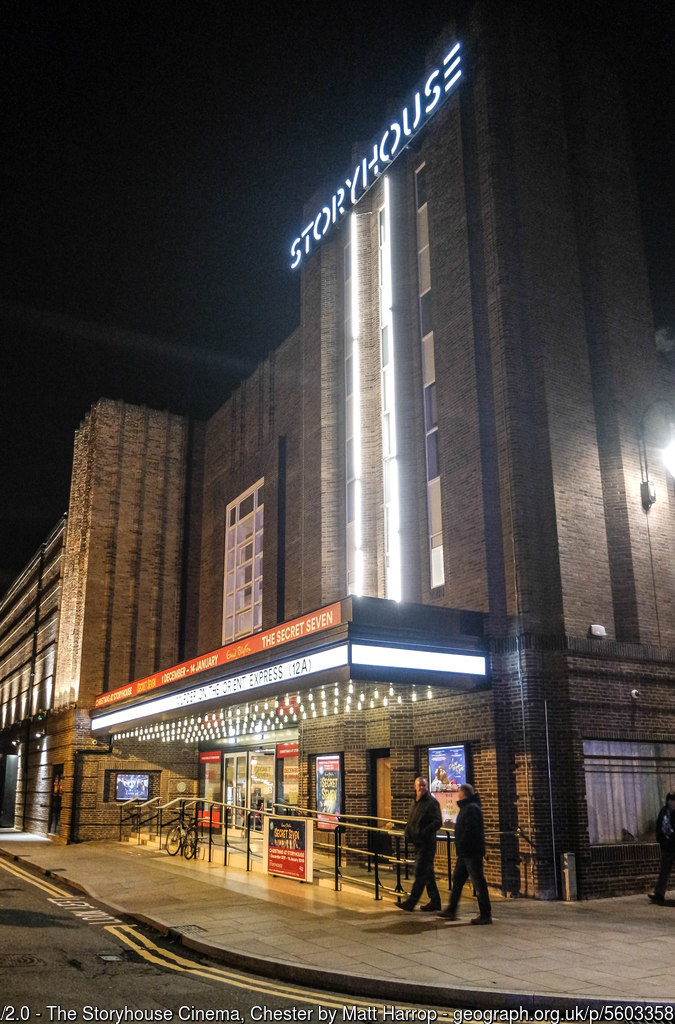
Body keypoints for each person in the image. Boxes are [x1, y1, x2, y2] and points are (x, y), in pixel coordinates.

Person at [438, 782, 492, 924]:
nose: (458, 795)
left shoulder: (471, 809)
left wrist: (463, 845)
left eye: (459, 793)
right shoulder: (468, 807)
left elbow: (470, 832)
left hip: (470, 852)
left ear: (463, 794)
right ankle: (451, 909)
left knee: (478, 882)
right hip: (465, 852)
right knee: (457, 879)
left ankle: (485, 914)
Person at [398, 776, 443, 912]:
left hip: (427, 843)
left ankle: (411, 903)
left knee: (420, 873)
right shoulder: (416, 802)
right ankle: (435, 901)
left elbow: (437, 821)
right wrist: (408, 832)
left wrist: (424, 832)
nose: (422, 788)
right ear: (415, 787)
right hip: (418, 842)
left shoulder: (431, 802)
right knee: (427, 873)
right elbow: (412, 820)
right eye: (420, 785)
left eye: (424, 785)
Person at [648, 791, 675, 905]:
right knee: (664, 871)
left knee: (664, 870)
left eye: (673, 800)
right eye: (670, 800)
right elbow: (659, 825)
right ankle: (659, 893)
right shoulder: (664, 811)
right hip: (667, 846)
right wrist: (660, 839)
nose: (671, 802)